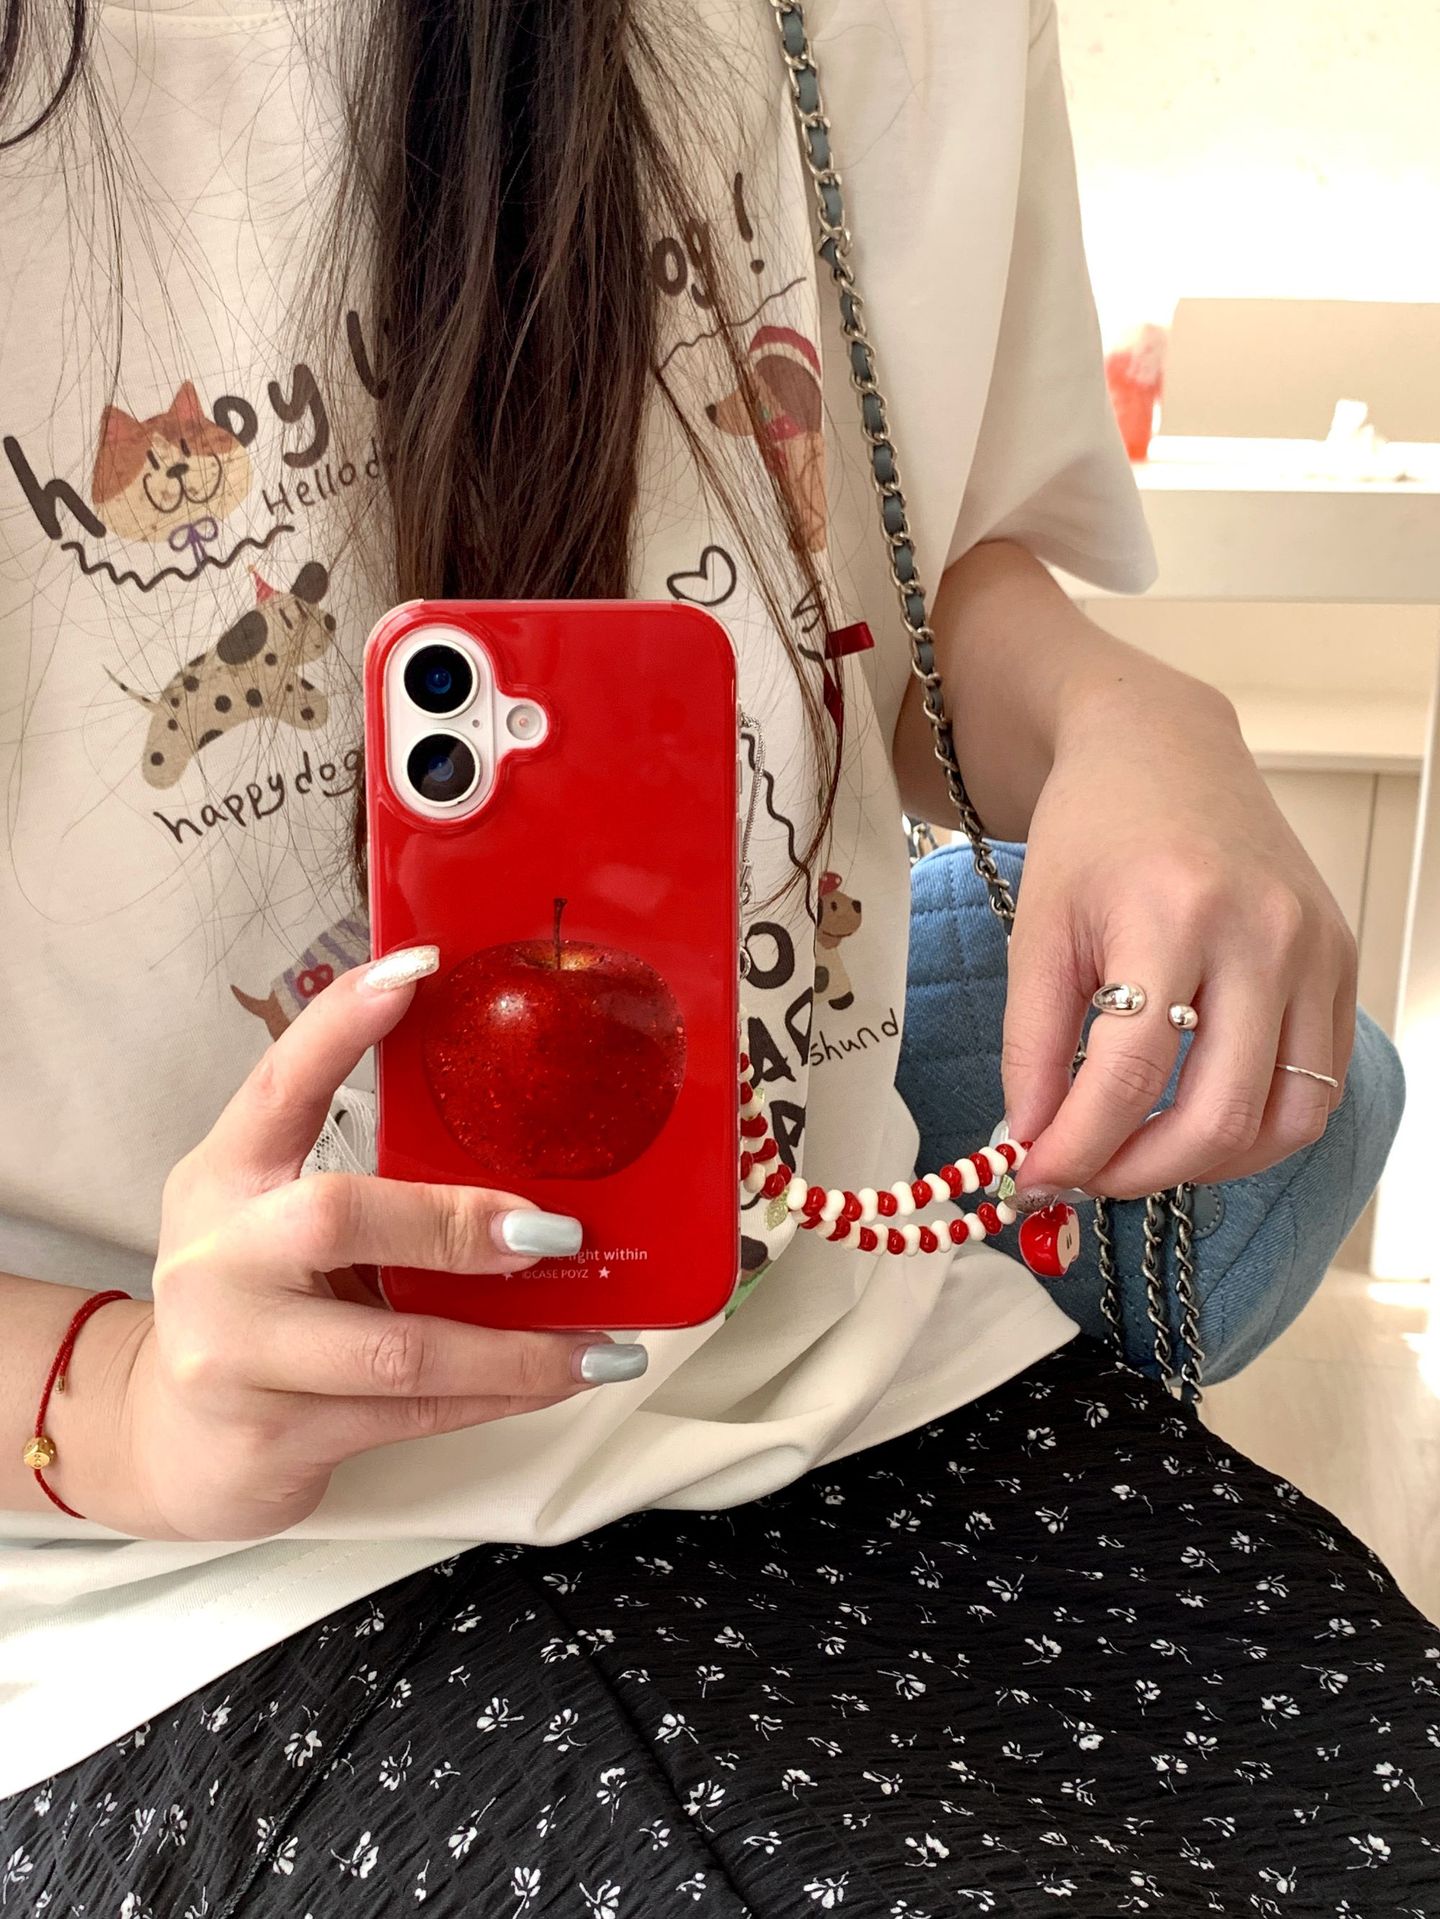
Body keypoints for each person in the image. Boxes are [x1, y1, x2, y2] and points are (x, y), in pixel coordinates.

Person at [1, 0, 1435, 1910]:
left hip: (852, 1367)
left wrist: (1119, 715)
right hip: (181, 1583)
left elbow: (889, 574)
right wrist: (118, 1406)